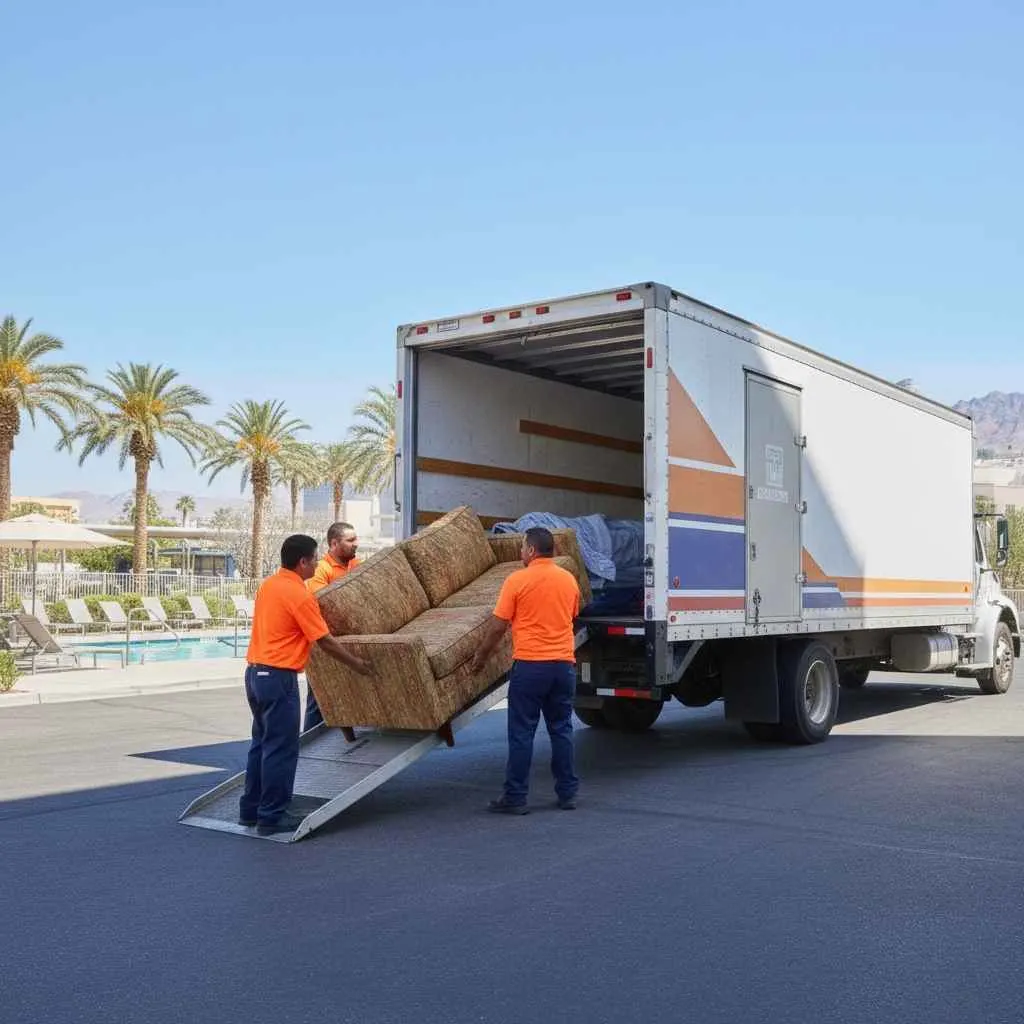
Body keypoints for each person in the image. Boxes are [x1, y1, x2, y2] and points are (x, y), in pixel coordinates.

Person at [241, 534, 371, 836]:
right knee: (281, 748)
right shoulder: (299, 595)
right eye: (314, 559)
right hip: (278, 677)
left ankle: (250, 809)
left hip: (254, 674)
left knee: (261, 743)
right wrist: (357, 665)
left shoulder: (270, 585)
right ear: (303, 562)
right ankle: (272, 816)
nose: (317, 563)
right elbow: (323, 640)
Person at [470, 527, 580, 814]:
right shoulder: (569, 579)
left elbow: (497, 626)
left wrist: (481, 657)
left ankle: (515, 797)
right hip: (563, 666)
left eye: (521, 548)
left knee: (521, 734)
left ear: (531, 550)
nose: (520, 553)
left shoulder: (517, 580)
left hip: (531, 666)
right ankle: (567, 794)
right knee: (562, 729)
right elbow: (572, 616)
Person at [302, 522, 360, 730]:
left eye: (356, 539)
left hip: (348, 642)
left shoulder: (356, 565)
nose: (356, 544)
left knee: (349, 697)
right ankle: (308, 743)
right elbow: (325, 605)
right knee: (318, 700)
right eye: (350, 540)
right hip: (324, 645)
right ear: (334, 543)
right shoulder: (321, 570)